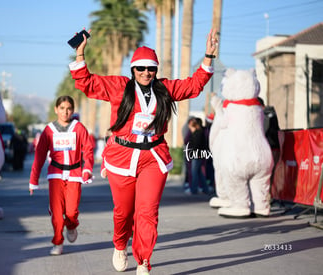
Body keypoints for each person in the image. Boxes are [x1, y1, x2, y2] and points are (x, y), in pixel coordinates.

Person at [69, 28, 217, 274]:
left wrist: (208, 57)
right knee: (123, 212)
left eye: (151, 69)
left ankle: (143, 260)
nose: (146, 73)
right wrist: (80, 53)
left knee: (147, 212)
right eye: (141, 68)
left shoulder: (165, 89)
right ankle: (119, 245)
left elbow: (193, 85)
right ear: (133, 70)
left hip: (153, 158)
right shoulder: (119, 86)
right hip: (121, 157)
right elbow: (88, 83)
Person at [29, 96, 94, 256]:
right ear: (56, 109)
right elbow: (40, 155)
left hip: (74, 175)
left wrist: (87, 169)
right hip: (55, 175)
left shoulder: (78, 128)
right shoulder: (49, 130)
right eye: (62, 108)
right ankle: (57, 242)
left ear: (73, 110)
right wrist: (33, 180)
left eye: (69, 108)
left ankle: (71, 226)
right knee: (57, 213)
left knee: (71, 211)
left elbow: (88, 149)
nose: (65, 112)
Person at [186, 117, 210, 195]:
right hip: (199, 155)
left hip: (196, 155)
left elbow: (195, 145)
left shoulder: (197, 133)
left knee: (194, 173)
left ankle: (193, 189)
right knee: (199, 173)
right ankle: (205, 189)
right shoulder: (200, 132)